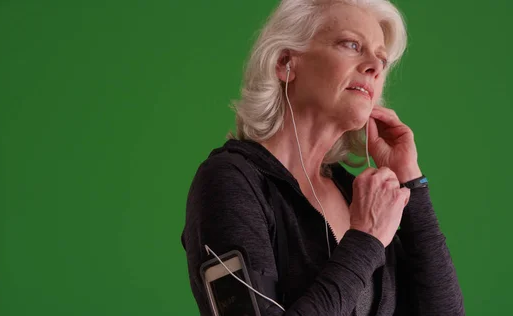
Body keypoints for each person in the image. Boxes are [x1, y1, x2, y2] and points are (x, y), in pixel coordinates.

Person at [181, 0, 465, 315]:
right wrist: (366, 239)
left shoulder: (356, 193)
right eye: (352, 44)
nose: (374, 65)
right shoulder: (230, 181)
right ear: (285, 62)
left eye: (382, 59)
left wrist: (410, 181)